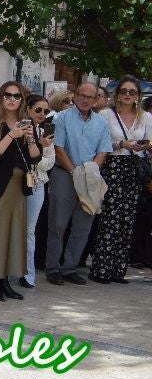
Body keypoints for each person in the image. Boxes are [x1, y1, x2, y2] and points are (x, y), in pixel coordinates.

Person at [0, 81, 42, 301]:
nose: (12, 99)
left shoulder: (27, 122)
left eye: (17, 96)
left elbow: (35, 157)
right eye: (8, 95)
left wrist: (31, 140)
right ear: (0, 97)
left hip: (18, 187)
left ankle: (4, 280)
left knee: (14, 233)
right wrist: (12, 135)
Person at [45, 82, 111, 286]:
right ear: (75, 96)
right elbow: (59, 148)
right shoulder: (61, 118)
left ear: (95, 100)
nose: (85, 99)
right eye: (82, 95)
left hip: (89, 177)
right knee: (58, 224)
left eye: (90, 97)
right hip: (65, 173)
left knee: (83, 225)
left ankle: (70, 268)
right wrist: (75, 172)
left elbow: (103, 151)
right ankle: (53, 267)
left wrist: (89, 172)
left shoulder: (101, 123)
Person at [90, 76, 151, 284]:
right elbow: (101, 142)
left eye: (132, 92)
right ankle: (101, 269)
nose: (127, 95)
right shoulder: (106, 114)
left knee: (127, 219)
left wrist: (143, 146)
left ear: (137, 95)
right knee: (110, 218)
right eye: (124, 91)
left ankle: (118, 270)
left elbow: (150, 142)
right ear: (117, 94)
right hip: (114, 166)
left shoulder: (145, 117)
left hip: (134, 168)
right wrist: (122, 144)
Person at [21, 94, 56, 289]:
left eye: (45, 111)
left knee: (29, 230)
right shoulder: (20, 130)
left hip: (37, 184)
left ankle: (28, 274)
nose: (42, 114)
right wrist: (37, 148)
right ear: (28, 109)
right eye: (38, 110)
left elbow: (47, 163)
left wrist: (39, 148)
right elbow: (21, 159)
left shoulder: (46, 133)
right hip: (17, 183)